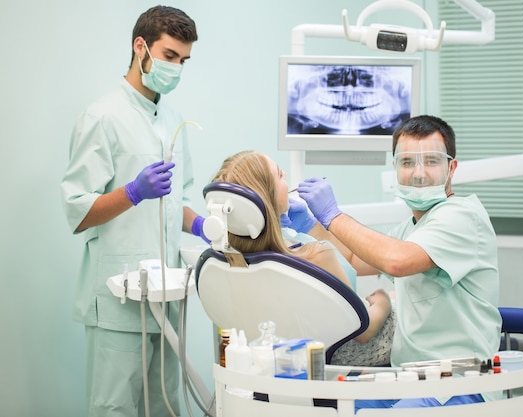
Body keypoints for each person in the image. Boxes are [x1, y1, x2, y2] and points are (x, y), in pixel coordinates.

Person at [291, 115, 502, 407]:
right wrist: (312, 225)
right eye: (407, 162)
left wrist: (333, 215)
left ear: (451, 167)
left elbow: (396, 261)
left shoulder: (463, 215)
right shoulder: (411, 228)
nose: (418, 173)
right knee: (326, 405)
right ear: (395, 169)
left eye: (431, 161)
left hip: (459, 381)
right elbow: (354, 258)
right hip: (407, 378)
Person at [60, 6, 208, 417]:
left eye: (183, 60)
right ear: (140, 47)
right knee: (116, 408)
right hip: (118, 298)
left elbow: (178, 200)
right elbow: (78, 211)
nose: (176, 68)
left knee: (166, 405)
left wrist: (201, 225)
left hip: (167, 295)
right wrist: (132, 192)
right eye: (169, 56)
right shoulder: (101, 117)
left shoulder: (173, 119)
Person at [211, 150, 394, 365]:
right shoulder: (316, 254)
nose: (286, 175)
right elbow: (364, 330)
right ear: (268, 196)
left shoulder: (228, 260)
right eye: (280, 175)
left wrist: (310, 226)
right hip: (341, 356)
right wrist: (384, 299)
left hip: (275, 361)